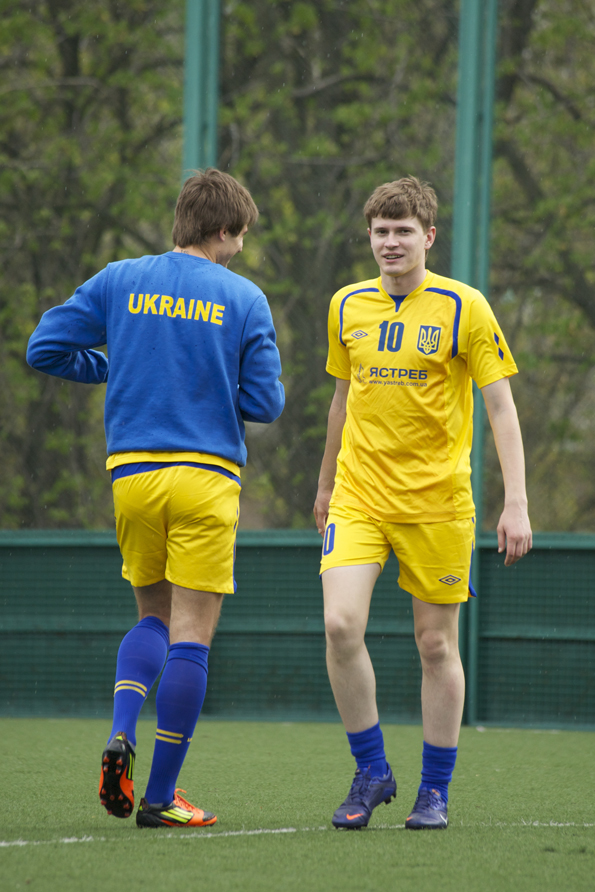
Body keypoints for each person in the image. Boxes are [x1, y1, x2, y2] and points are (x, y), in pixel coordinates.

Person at [27, 168, 285, 829]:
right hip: (206, 478)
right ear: (222, 230)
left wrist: (114, 364)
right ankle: (161, 797)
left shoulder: (119, 279)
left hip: (132, 476)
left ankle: (122, 732)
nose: (241, 250)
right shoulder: (244, 297)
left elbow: (45, 348)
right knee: (192, 636)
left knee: (152, 618)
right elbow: (265, 403)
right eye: (240, 237)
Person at [313, 176, 531, 830]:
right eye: (380, 231)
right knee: (340, 625)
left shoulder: (465, 307)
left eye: (403, 231)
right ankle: (371, 770)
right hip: (358, 496)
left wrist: (515, 502)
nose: (390, 242)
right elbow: (341, 402)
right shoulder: (346, 305)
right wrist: (324, 485)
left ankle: (433, 791)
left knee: (435, 645)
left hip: (438, 504)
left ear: (428, 236)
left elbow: (500, 408)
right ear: (368, 236)